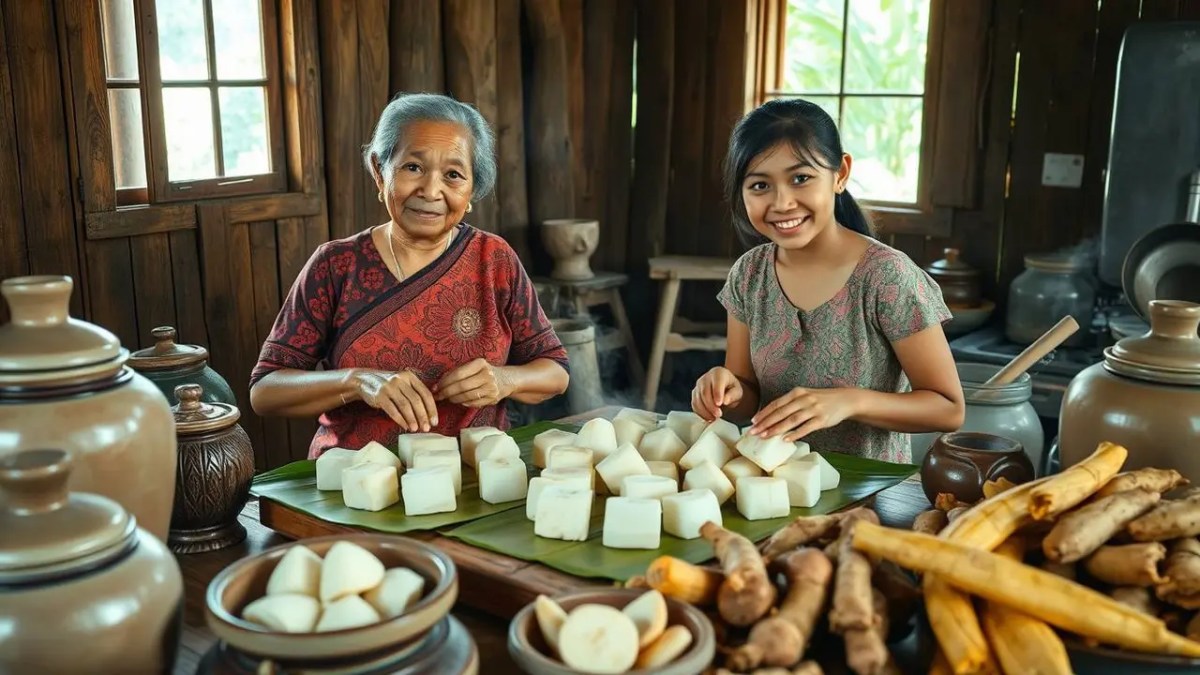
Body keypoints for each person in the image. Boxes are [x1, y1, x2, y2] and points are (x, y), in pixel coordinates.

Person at [250, 92, 570, 458]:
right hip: (355, 481)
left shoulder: (493, 259)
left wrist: (504, 380)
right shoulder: (335, 265)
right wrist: (357, 381)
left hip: (473, 480)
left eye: (453, 175)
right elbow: (266, 390)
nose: (431, 191)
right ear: (379, 171)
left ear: (471, 191)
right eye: (413, 168)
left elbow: (555, 370)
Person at [691, 98, 964, 463]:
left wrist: (850, 401)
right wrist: (727, 391)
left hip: (868, 496)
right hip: (772, 491)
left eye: (800, 178)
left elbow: (948, 409)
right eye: (759, 185)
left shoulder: (887, 277)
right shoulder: (748, 275)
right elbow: (749, 399)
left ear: (841, 174)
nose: (782, 202)